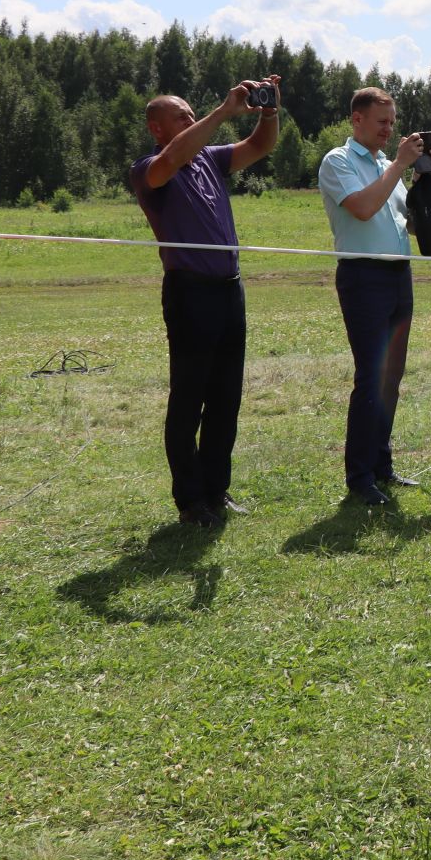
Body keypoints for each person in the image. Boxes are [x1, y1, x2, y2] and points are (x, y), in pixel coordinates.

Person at [130, 75, 282, 527]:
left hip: (228, 290)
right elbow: (172, 159)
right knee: (189, 400)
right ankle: (191, 502)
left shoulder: (210, 160)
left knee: (225, 399)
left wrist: (270, 110)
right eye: (183, 116)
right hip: (190, 294)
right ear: (157, 128)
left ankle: (217, 490)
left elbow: (259, 147)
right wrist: (222, 112)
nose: (193, 120)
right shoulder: (148, 169)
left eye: (194, 115)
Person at [320, 87, 426, 506]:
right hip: (363, 277)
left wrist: (424, 187)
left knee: (392, 377)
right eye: (382, 121)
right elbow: (363, 208)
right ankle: (359, 477)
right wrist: (400, 165)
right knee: (371, 376)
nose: (390, 129)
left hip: (399, 275)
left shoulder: (387, 165)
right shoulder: (338, 161)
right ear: (357, 120)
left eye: (392, 120)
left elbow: (409, 226)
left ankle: (382, 464)